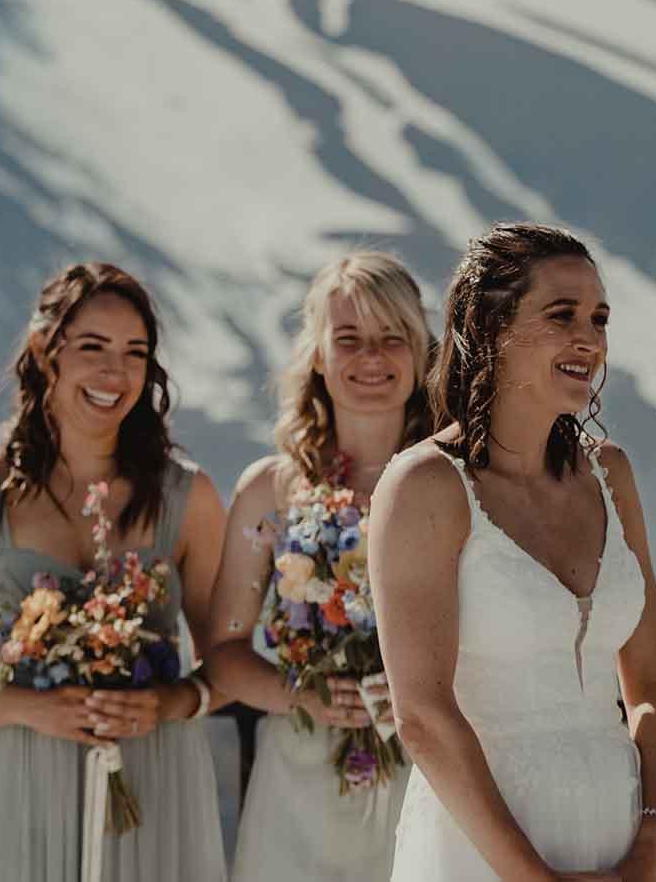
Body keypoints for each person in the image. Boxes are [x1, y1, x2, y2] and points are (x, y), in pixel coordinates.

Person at [374, 223, 656, 882]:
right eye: (562, 315)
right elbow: (422, 714)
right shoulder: (424, 485)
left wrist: (652, 847)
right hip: (482, 847)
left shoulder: (612, 475)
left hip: (619, 833)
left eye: (599, 319)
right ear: (491, 327)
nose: (589, 340)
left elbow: (654, 684)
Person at [0, 263, 230, 882]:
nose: (116, 373)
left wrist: (168, 701)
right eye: (93, 348)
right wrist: (31, 708)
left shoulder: (190, 498)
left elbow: (228, 662)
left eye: (136, 353)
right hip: (8, 784)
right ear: (43, 352)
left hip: (150, 783)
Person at [207, 251, 435, 881]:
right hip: (299, 777)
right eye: (349, 338)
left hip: (431, 770)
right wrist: (302, 694)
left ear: (422, 354)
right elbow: (224, 648)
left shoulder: (458, 482)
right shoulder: (269, 491)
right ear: (316, 355)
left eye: (393, 338)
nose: (372, 357)